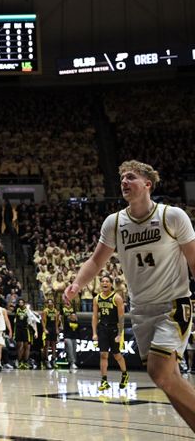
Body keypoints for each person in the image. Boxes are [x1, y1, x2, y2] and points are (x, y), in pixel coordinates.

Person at [65, 160, 195, 431]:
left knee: (158, 373)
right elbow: (96, 261)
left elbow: (193, 259)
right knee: (168, 381)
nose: (124, 181)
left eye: (131, 177)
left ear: (148, 184)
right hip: (141, 309)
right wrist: (77, 284)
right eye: (122, 177)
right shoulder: (114, 223)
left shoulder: (172, 216)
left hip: (173, 304)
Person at [91, 275, 129, 390]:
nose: (104, 283)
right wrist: (94, 333)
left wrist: (119, 334)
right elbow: (94, 316)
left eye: (107, 281)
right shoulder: (97, 298)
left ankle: (124, 374)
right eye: (102, 281)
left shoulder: (117, 298)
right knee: (103, 354)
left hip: (114, 328)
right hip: (102, 328)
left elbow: (121, 317)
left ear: (111, 284)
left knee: (117, 355)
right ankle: (104, 381)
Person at [14, 299, 34, 369]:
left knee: (27, 346)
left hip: (26, 329)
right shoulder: (17, 309)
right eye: (19, 302)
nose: (20, 303)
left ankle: (26, 361)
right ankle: (19, 361)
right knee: (20, 346)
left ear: (25, 303)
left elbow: (33, 319)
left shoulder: (28, 311)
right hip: (18, 330)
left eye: (22, 302)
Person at [41, 298, 61, 369]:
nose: (49, 304)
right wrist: (44, 329)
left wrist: (57, 329)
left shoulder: (56, 311)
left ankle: (53, 360)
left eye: (51, 302)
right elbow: (43, 321)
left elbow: (57, 321)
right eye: (48, 303)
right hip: (47, 328)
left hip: (53, 329)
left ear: (53, 303)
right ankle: (46, 360)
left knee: (53, 345)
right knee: (46, 345)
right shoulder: (45, 311)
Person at [61, 300, 79, 371]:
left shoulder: (77, 322)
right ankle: (71, 362)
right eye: (73, 316)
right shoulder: (66, 322)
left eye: (75, 316)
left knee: (74, 350)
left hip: (74, 338)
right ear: (70, 316)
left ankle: (73, 363)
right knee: (70, 350)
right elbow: (64, 329)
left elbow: (78, 331)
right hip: (68, 337)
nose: (74, 317)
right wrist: (64, 337)